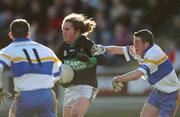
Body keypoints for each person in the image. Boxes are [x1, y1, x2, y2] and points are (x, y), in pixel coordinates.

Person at [105, 29, 180, 117]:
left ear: (146, 44)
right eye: (134, 42)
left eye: (137, 43)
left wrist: (118, 79)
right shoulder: (141, 49)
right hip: (157, 92)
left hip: (172, 95)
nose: (134, 45)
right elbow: (118, 50)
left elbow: (137, 75)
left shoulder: (153, 54)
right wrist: (99, 48)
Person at [0, 19, 62, 117]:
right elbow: (58, 73)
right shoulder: (47, 50)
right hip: (47, 95)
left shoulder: (8, 50)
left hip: (25, 96)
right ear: (29, 34)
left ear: (11, 35)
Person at [56, 13, 107, 117]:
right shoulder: (63, 47)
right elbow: (57, 67)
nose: (64, 32)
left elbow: (103, 59)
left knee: (75, 114)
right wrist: (61, 80)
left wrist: (89, 59)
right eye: (63, 30)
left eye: (67, 29)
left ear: (77, 30)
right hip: (70, 89)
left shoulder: (88, 44)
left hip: (87, 87)